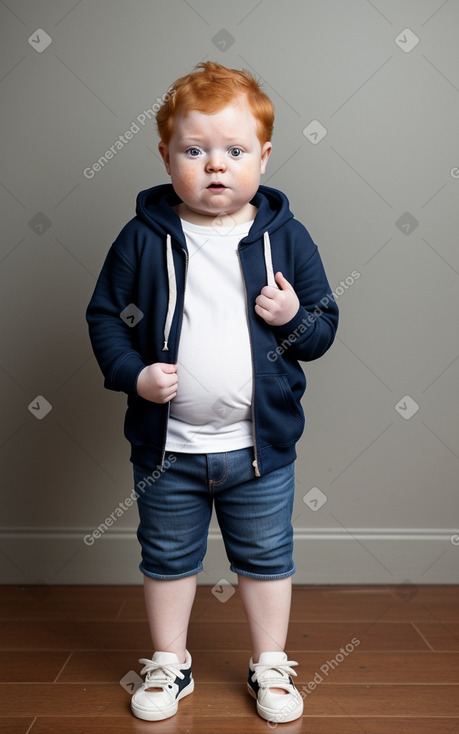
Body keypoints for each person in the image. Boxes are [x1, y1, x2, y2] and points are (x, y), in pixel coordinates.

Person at [86, 61, 338, 725]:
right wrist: (133, 375)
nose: (215, 167)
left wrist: (293, 320)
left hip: (260, 448)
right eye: (194, 151)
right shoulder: (143, 239)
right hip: (166, 447)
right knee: (166, 557)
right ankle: (170, 662)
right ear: (166, 155)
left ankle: (270, 662)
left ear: (264, 155)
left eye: (233, 151)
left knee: (265, 557)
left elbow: (322, 325)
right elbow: (105, 316)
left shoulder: (284, 235)